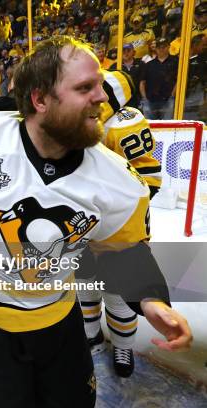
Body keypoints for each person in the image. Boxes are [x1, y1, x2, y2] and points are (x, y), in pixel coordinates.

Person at [0, 36, 192, 408]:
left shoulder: (119, 181)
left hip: (59, 314)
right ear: (40, 100)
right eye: (85, 87)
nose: (103, 97)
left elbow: (122, 250)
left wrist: (152, 300)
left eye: (100, 85)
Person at [78, 69, 162, 378]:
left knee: (119, 292)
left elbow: (149, 179)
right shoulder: (79, 123)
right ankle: (91, 336)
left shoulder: (123, 125)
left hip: (119, 230)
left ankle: (123, 344)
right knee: (85, 285)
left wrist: (111, 206)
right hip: (83, 228)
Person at [140, 38, 178, 119]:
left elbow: (179, 80)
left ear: (168, 47)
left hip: (168, 99)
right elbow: (142, 82)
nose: (161, 49)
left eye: (164, 46)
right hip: (151, 100)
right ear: (156, 49)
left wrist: (172, 95)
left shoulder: (176, 61)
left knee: (167, 125)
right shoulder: (149, 64)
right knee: (150, 126)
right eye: (159, 47)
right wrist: (144, 98)